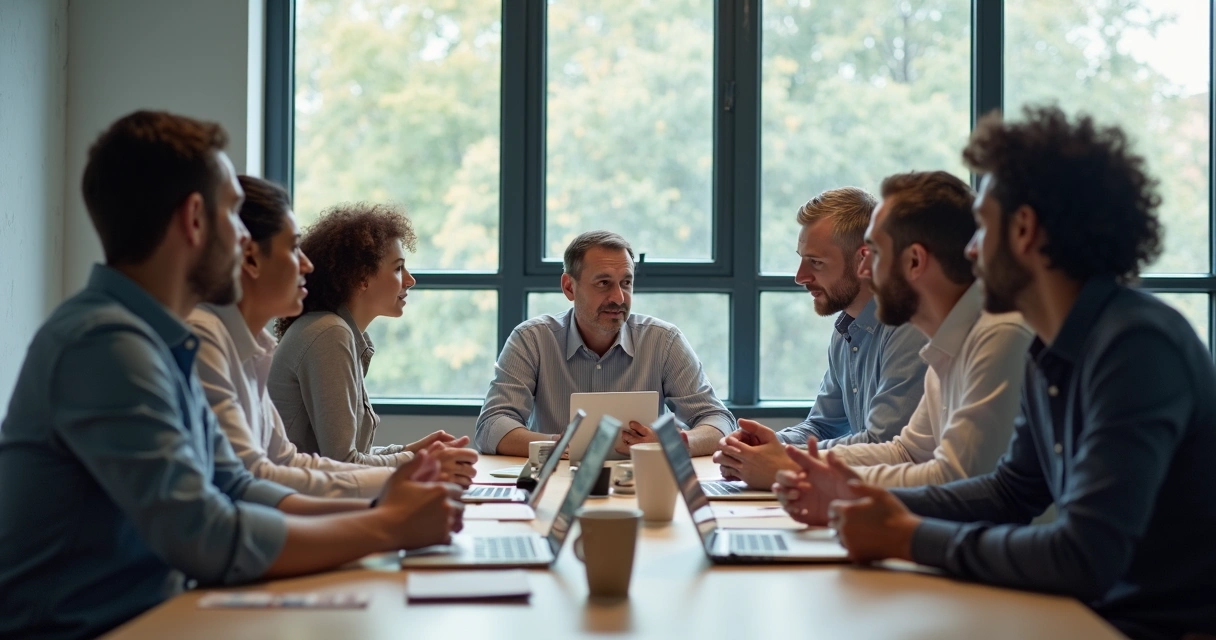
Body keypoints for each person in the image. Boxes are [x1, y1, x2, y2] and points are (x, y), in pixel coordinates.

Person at [0, 111, 464, 639]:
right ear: (195, 220)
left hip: (157, 615)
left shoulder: (161, 340)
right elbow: (206, 536)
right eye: (235, 215)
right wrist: (385, 526)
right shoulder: (104, 344)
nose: (245, 240)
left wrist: (385, 506)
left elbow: (238, 484)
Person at [775, 106, 1216, 639]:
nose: (969, 250)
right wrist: (854, 498)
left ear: (1024, 230)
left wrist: (905, 537)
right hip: (1083, 615)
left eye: (982, 227)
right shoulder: (1051, 348)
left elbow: (1083, 555)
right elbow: (1010, 491)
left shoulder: (1136, 346)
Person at [722, 171, 1031, 493]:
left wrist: (792, 469)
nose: (866, 271)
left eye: (876, 254)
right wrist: (783, 461)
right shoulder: (947, 340)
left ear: (914, 261)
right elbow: (905, 452)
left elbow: (953, 479)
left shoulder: (996, 336)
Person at [188, 176, 472, 499]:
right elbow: (304, 468)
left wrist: (410, 460)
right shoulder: (327, 332)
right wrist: (410, 469)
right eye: (397, 269)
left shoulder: (259, 347)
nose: (307, 265)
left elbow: (289, 462)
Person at [714, 187, 928, 487]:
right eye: (802, 259)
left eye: (815, 262)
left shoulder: (909, 328)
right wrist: (760, 447)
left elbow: (885, 444)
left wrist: (781, 458)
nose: (800, 276)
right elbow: (822, 425)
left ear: (862, 261)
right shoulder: (846, 331)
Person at [269, 203, 477, 486]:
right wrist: (416, 462)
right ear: (362, 277)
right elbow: (343, 464)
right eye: (399, 268)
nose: (410, 280)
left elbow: (349, 458)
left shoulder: (337, 331)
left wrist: (408, 452)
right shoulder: (330, 333)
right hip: (301, 507)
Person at [475, 230, 735, 457]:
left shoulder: (663, 341)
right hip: (558, 480)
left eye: (626, 282)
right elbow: (492, 425)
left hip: (642, 483)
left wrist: (675, 443)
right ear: (569, 287)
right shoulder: (531, 339)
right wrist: (554, 445)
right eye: (604, 283)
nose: (619, 297)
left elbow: (719, 420)